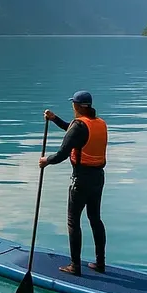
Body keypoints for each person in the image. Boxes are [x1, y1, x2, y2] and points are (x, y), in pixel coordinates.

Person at [39, 90, 107, 276]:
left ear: (76, 106)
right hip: (98, 179)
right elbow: (74, 131)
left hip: (81, 180)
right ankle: (100, 263)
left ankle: (75, 267)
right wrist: (54, 119)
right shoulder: (98, 123)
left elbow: (62, 154)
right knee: (95, 219)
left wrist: (46, 160)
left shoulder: (79, 126)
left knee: (73, 222)